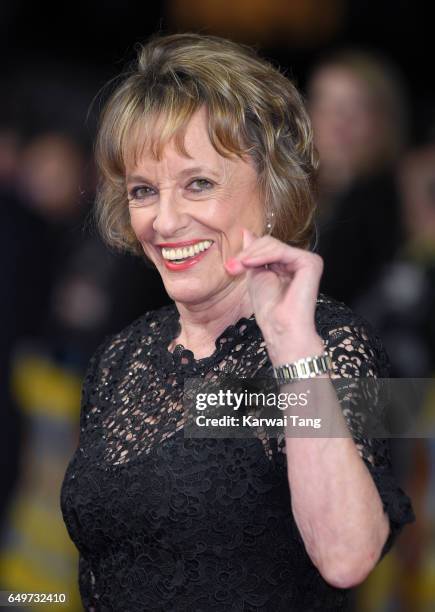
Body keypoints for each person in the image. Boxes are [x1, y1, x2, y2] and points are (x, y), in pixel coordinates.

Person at [60, 33, 415, 611]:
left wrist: (291, 343)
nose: (166, 220)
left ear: (271, 186)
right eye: (144, 191)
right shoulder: (119, 359)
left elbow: (348, 557)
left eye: (199, 183)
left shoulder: (330, 343)